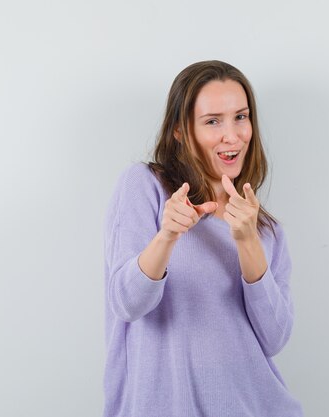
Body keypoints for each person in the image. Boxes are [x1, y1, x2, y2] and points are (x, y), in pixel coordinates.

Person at [102, 60, 303, 417]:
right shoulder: (145, 186)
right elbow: (127, 304)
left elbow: (274, 339)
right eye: (213, 121)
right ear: (180, 131)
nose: (233, 135)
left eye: (241, 117)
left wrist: (246, 242)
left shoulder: (266, 231)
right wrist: (168, 236)